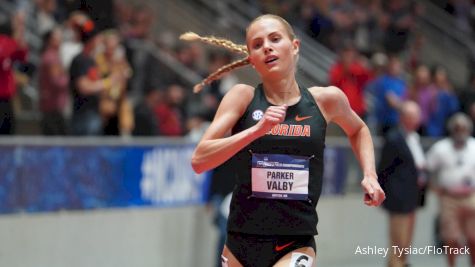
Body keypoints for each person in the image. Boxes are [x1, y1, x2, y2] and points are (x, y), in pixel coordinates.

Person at [182, 14, 385, 267]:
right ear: (252, 60)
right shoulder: (241, 98)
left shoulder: (326, 100)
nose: (266, 46)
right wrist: (257, 130)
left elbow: (359, 130)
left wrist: (370, 174)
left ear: (295, 46)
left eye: (275, 39)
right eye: (257, 45)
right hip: (240, 242)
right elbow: (199, 160)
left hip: (295, 241)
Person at [377, 101, 426, 267]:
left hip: (412, 198)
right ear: (402, 118)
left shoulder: (414, 138)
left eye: (417, 116)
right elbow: (383, 169)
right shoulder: (393, 139)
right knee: (398, 244)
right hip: (398, 199)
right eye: (411, 116)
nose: (415, 120)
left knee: (405, 246)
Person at [426, 113, 475, 267]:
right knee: (451, 238)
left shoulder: (474, 146)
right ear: (451, 130)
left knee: (473, 237)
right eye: (457, 128)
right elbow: (427, 169)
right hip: (449, 198)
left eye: (463, 128)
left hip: (471, 197)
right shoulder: (440, 148)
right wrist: (434, 188)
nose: (460, 131)